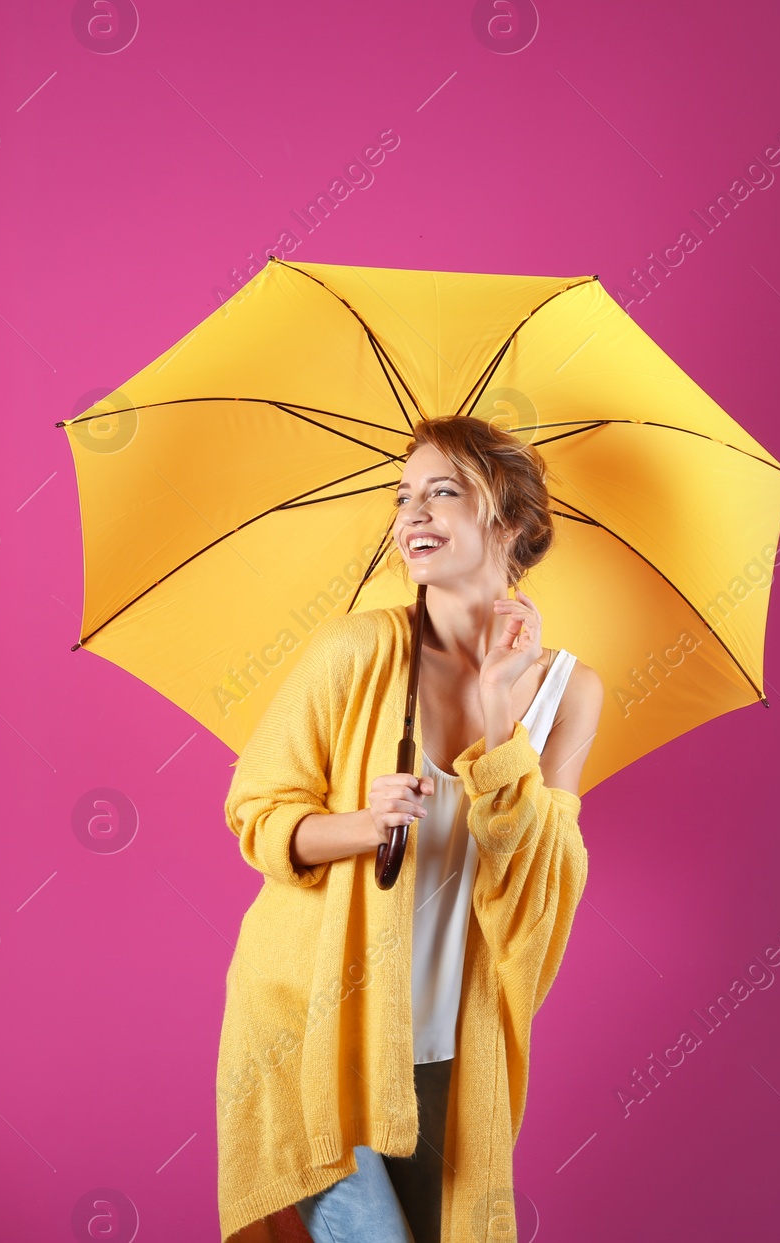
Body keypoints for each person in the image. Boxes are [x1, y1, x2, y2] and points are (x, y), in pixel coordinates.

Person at [216, 415, 603, 1243]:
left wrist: (502, 733)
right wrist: (359, 824)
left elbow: (544, 892)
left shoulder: (567, 693)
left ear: (508, 522)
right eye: (403, 496)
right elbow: (258, 811)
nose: (412, 515)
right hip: (311, 1028)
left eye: (442, 492)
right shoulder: (353, 650)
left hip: (453, 1046)